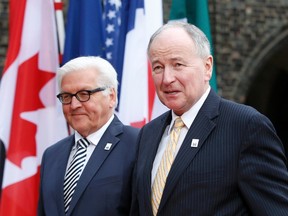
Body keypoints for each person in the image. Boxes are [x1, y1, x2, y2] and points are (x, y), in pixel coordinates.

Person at [130, 21, 288, 216]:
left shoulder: (246, 126)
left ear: (207, 67)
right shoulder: (148, 133)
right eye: (158, 68)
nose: (167, 78)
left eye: (177, 64)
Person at [38, 56, 139, 216]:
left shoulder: (138, 144)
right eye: (66, 96)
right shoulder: (52, 155)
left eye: (84, 94)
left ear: (111, 96)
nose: (74, 105)